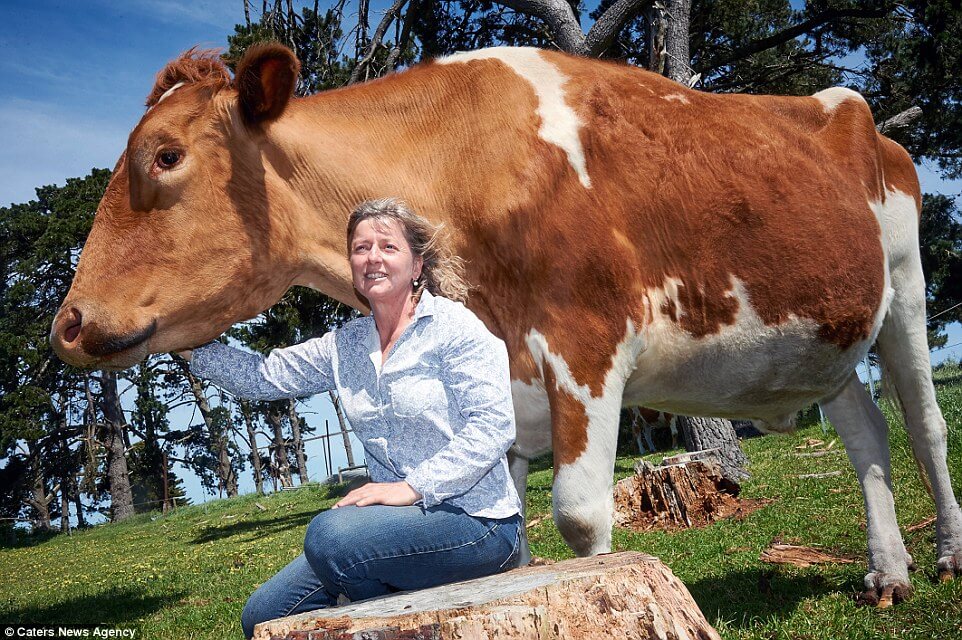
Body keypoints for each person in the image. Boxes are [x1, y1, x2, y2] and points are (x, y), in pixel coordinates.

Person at [177, 198, 523, 639]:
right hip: (389, 528)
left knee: (331, 539)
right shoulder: (346, 345)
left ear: (417, 265)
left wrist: (413, 488)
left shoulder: (457, 329)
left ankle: (376, 609)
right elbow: (266, 376)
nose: (372, 257)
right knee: (262, 615)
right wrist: (190, 348)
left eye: (387, 247)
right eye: (360, 248)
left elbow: (493, 426)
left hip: (476, 524)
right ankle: (375, 590)